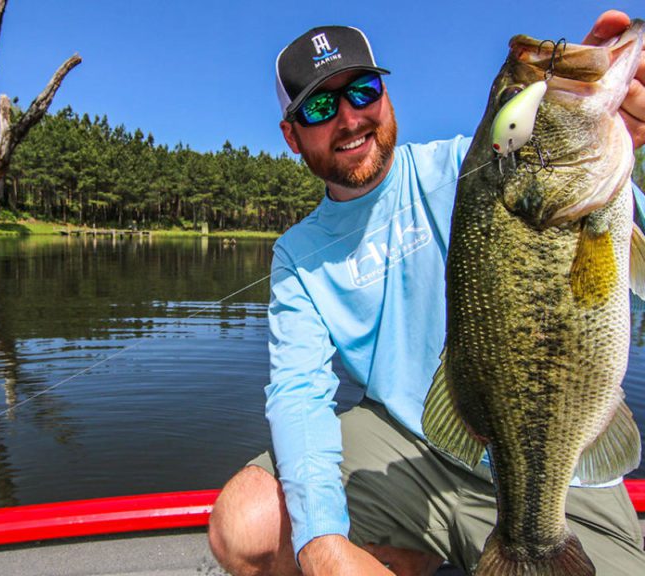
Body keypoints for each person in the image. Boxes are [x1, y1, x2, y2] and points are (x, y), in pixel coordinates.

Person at [209, 10, 645, 576]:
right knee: (246, 526)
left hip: (557, 454)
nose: (349, 117)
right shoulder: (297, 253)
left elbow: (583, 197)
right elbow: (298, 396)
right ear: (292, 135)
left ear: (385, 96)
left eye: (362, 91)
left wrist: (612, 123)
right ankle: (416, 548)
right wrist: (319, 540)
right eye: (320, 106)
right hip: (409, 445)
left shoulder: (479, 167)